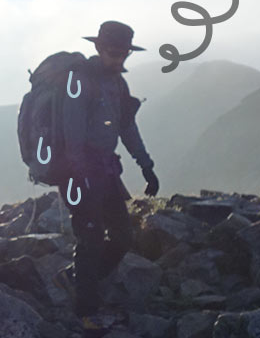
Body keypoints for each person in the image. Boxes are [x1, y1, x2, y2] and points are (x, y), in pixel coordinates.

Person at [52, 21, 159, 329]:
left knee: (123, 235)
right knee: (91, 237)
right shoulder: (79, 79)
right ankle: (87, 312)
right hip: (78, 172)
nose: (119, 59)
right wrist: (79, 174)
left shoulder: (118, 83)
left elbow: (126, 126)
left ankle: (75, 278)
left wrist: (146, 165)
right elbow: (72, 134)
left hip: (106, 169)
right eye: (114, 53)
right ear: (99, 48)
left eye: (124, 54)